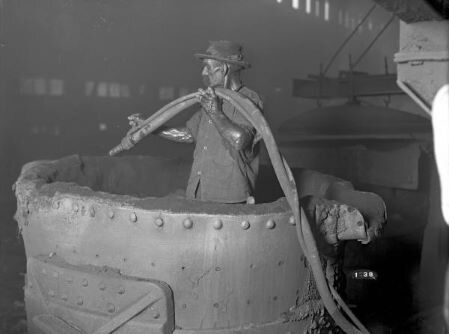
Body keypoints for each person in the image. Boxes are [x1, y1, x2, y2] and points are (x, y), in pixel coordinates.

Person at [129, 41, 263, 203]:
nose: (204, 72)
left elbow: (240, 140)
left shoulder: (248, 100)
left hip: (229, 199)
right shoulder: (213, 98)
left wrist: (215, 112)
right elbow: (188, 134)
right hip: (198, 193)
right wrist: (149, 127)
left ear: (224, 68)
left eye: (208, 66)